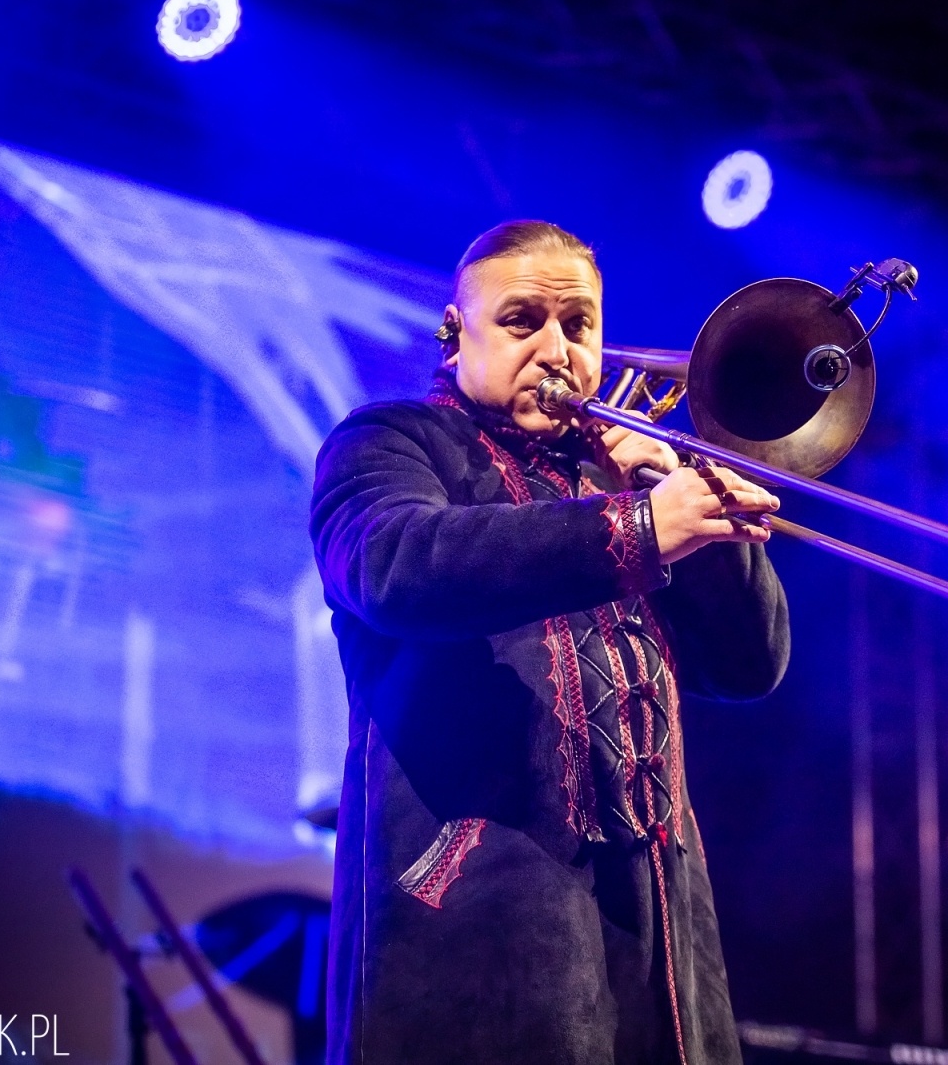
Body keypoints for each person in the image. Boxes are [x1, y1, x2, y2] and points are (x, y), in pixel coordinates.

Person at [310, 220, 790, 1065]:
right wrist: (635, 528)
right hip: (474, 912)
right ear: (456, 334)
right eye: (522, 321)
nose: (557, 350)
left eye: (579, 325)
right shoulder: (388, 441)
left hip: (661, 925)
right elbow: (392, 566)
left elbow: (751, 665)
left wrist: (679, 494)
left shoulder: (619, 475)